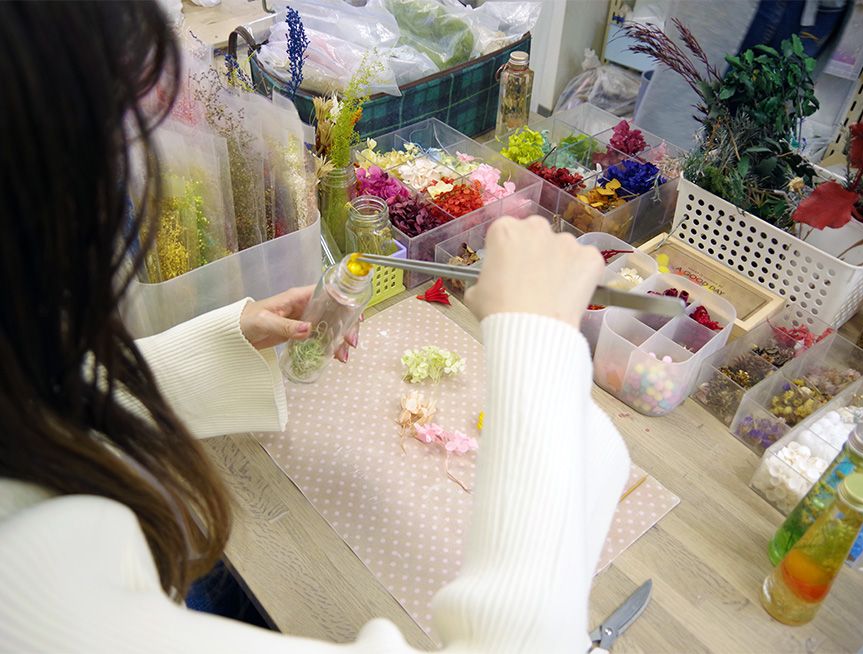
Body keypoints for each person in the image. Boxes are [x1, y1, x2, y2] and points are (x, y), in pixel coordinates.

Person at [0, 2, 629, 653]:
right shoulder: (45, 614)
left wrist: (220, 340)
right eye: (119, 158)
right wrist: (536, 340)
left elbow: (37, 404)